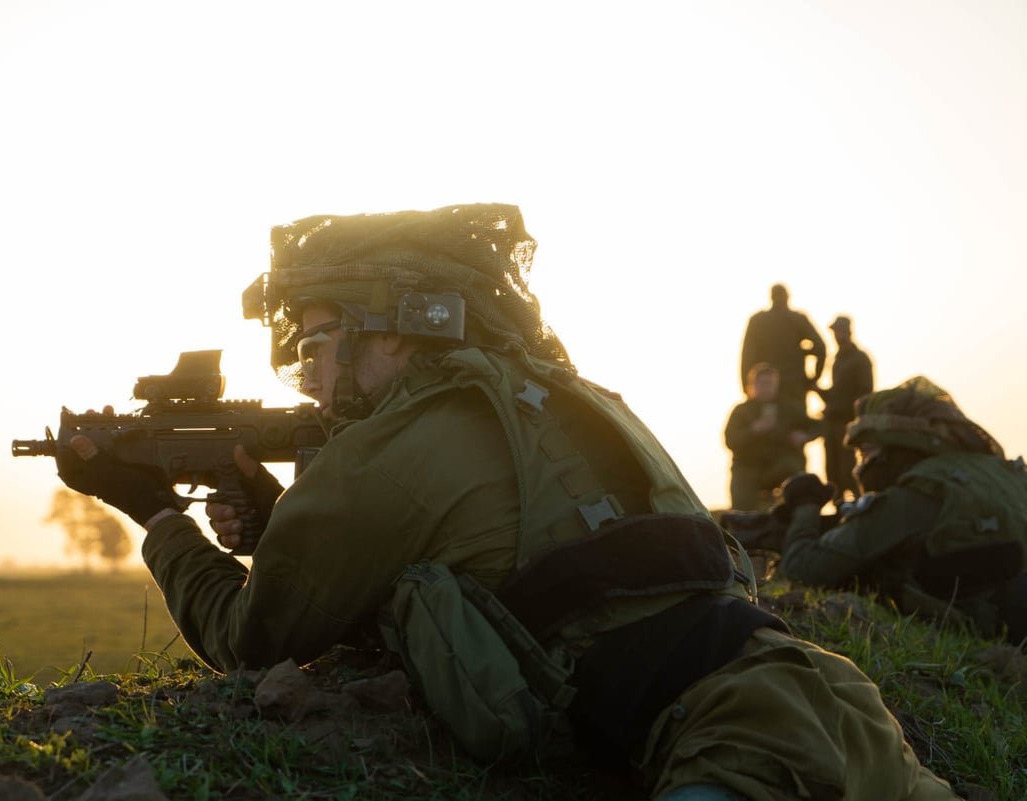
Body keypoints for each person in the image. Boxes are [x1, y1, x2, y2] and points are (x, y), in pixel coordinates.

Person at [57, 203, 957, 800]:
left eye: (320, 339)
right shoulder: (573, 397)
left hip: (738, 750)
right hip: (843, 706)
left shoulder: (400, 443)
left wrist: (155, 512)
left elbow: (253, 634)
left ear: (396, 331)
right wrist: (278, 506)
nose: (311, 371)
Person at [776, 376, 1027, 645]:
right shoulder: (1005, 474)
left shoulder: (920, 492)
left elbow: (802, 569)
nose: (859, 468)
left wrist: (806, 506)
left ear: (897, 447)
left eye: (866, 453)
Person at [724, 363, 817, 511]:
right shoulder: (742, 411)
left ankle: (799, 513)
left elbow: (816, 425)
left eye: (770, 383)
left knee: (797, 475)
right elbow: (730, 440)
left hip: (779, 466)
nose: (766, 387)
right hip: (748, 468)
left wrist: (805, 436)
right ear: (752, 385)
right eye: (762, 383)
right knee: (742, 507)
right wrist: (753, 431)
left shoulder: (787, 408)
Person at [739, 284, 825, 415]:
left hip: (767, 386)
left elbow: (747, 357)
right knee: (794, 424)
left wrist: (747, 386)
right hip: (791, 385)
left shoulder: (758, 321)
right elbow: (820, 347)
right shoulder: (797, 319)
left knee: (771, 428)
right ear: (787, 297)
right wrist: (812, 378)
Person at [814, 315, 874, 503]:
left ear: (848, 332)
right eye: (834, 332)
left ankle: (859, 504)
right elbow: (835, 393)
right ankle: (839, 508)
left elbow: (865, 392)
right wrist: (817, 391)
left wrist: (845, 412)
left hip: (849, 423)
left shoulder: (860, 359)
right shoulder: (837, 359)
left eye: (839, 331)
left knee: (849, 471)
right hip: (832, 423)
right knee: (832, 472)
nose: (836, 336)